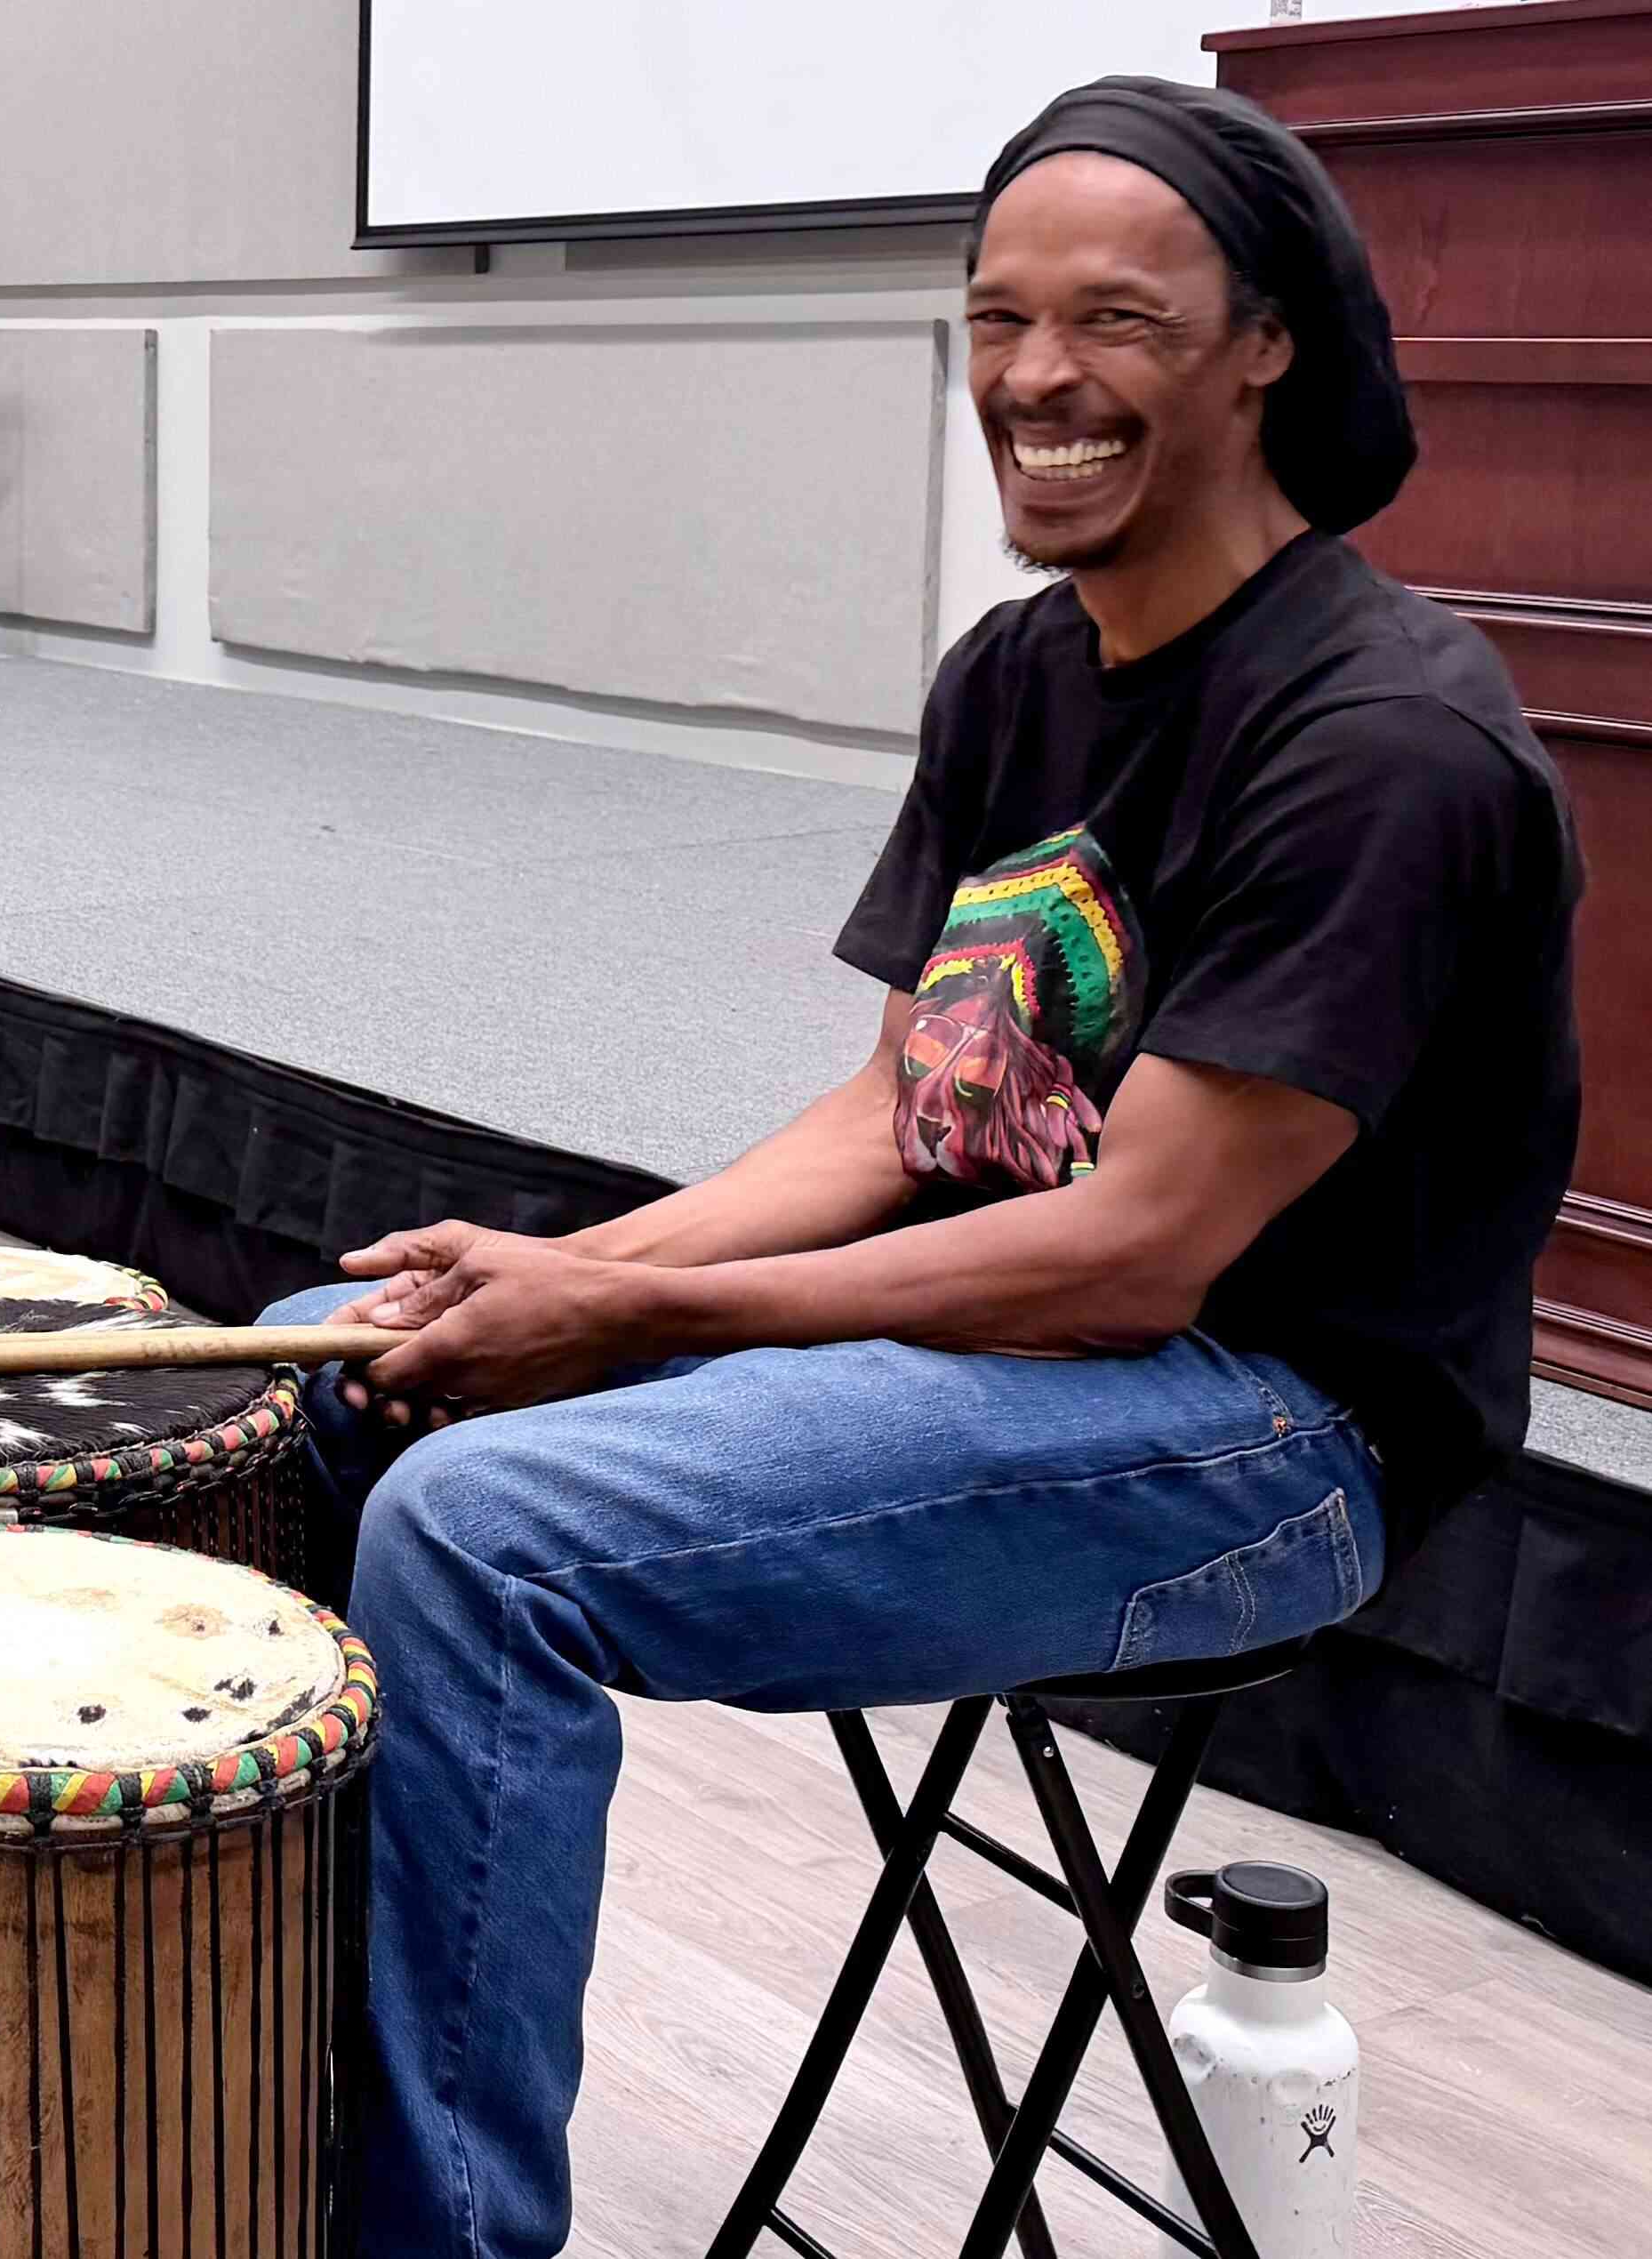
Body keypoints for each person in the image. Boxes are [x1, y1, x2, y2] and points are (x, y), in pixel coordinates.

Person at [257, 78, 1582, 2259]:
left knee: (480, 1533)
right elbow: (903, 1114)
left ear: (1262, 344)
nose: (1031, 378)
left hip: (1265, 1427)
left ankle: (431, 2229)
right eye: (993, 317)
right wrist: (543, 1274)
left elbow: (1134, 1252)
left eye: (1111, 322)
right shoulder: (1017, 673)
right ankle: (249, 2105)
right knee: (332, 1365)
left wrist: (629, 1311)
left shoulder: (1381, 745)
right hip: (1020, 1332)